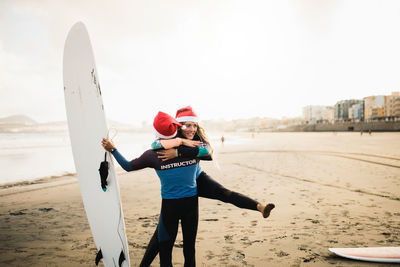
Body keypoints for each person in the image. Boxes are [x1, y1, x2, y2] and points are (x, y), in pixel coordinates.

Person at [139, 106, 275, 267]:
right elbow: (155, 144)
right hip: (175, 191)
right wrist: (181, 142)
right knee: (160, 236)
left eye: (194, 125)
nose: (192, 129)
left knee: (224, 193)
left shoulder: (197, 137)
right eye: (187, 125)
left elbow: (208, 152)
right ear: (178, 125)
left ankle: (260, 207)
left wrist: (178, 153)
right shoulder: (172, 137)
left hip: (197, 179)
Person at [102, 111, 211, 267]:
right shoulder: (192, 148)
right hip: (191, 204)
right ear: (176, 130)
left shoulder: (151, 155)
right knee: (189, 249)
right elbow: (207, 151)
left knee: (165, 251)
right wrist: (183, 142)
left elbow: (127, 166)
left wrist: (113, 150)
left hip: (170, 207)